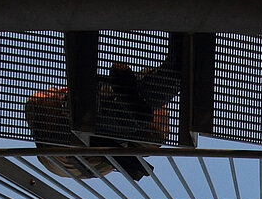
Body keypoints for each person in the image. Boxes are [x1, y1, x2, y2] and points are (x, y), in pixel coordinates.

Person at [25, 51, 180, 181]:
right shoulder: (54, 154)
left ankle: (174, 68)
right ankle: (170, 71)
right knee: (131, 115)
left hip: (103, 149)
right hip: (91, 148)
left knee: (134, 113)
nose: (59, 90)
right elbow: (38, 102)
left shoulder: (56, 155)